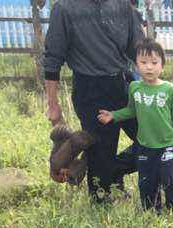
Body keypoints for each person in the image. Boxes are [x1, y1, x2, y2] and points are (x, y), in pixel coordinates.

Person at [41, 0, 144, 204]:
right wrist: (52, 104)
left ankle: (114, 170)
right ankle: (103, 183)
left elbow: (140, 51)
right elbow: (53, 58)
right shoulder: (65, 8)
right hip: (90, 90)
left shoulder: (123, 6)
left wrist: (156, 85)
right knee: (100, 184)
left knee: (156, 139)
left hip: (123, 84)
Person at [98, 40, 173, 214]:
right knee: (147, 182)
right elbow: (132, 110)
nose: (149, 67)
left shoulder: (169, 89)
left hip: (167, 145)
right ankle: (152, 213)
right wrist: (113, 115)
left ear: (162, 65)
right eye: (143, 62)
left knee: (170, 180)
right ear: (136, 65)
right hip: (145, 147)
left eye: (154, 63)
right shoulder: (134, 88)